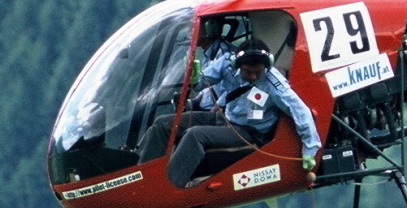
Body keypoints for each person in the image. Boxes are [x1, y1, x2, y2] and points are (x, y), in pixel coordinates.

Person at [165, 39, 321, 188]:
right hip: (224, 118)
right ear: (237, 65)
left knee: (195, 135)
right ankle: (142, 174)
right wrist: (194, 77)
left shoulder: (275, 84)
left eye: (258, 72)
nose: (253, 76)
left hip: (247, 132)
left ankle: (168, 185)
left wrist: (310, 148)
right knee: (164, 124)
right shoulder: (227, 64)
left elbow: (301, 111)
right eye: (248, 71)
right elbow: (200, 84)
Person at [136, 17, 240, 163]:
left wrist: (221, 105)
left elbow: (234, 89)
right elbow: (211, 89)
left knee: (163, 125)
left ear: (211, 28)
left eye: (195, 27)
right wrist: (193, 102)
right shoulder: (211, 54)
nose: (191, 31)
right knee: (161, 123)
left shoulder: (225, 56)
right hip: (210, 112)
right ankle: (137, 159)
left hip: (221, 117)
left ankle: (143, 171)